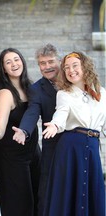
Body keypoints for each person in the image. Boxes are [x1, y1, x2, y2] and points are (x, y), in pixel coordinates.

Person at [42, 51, 106, 216]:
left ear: (85, 66)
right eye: (66, 68)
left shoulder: (102, 93)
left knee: (92, 191)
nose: (71, 70)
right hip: (71, 148)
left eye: (75, 65)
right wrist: (55, 126)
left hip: (92, 148)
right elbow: (61, 114)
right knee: (68, 194)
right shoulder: (64, 94)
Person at [0, 48, 41, 216]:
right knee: (20, 205)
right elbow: (0, 125)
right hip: (11, 156)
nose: (14, 64)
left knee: (39, 200)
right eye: (8, 62)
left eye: (16, 59)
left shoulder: (31, 89)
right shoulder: (5, 93)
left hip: (32, 152)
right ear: (3, 69)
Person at [12, 43, 62, 215]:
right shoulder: (36, 89)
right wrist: (24, 130)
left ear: (59, 61)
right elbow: (32, 112)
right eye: (42, 63)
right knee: (46, 195)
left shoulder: (73, 81)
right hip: (52, 148)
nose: (47, 66)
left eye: (50, 61)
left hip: (76, 145)